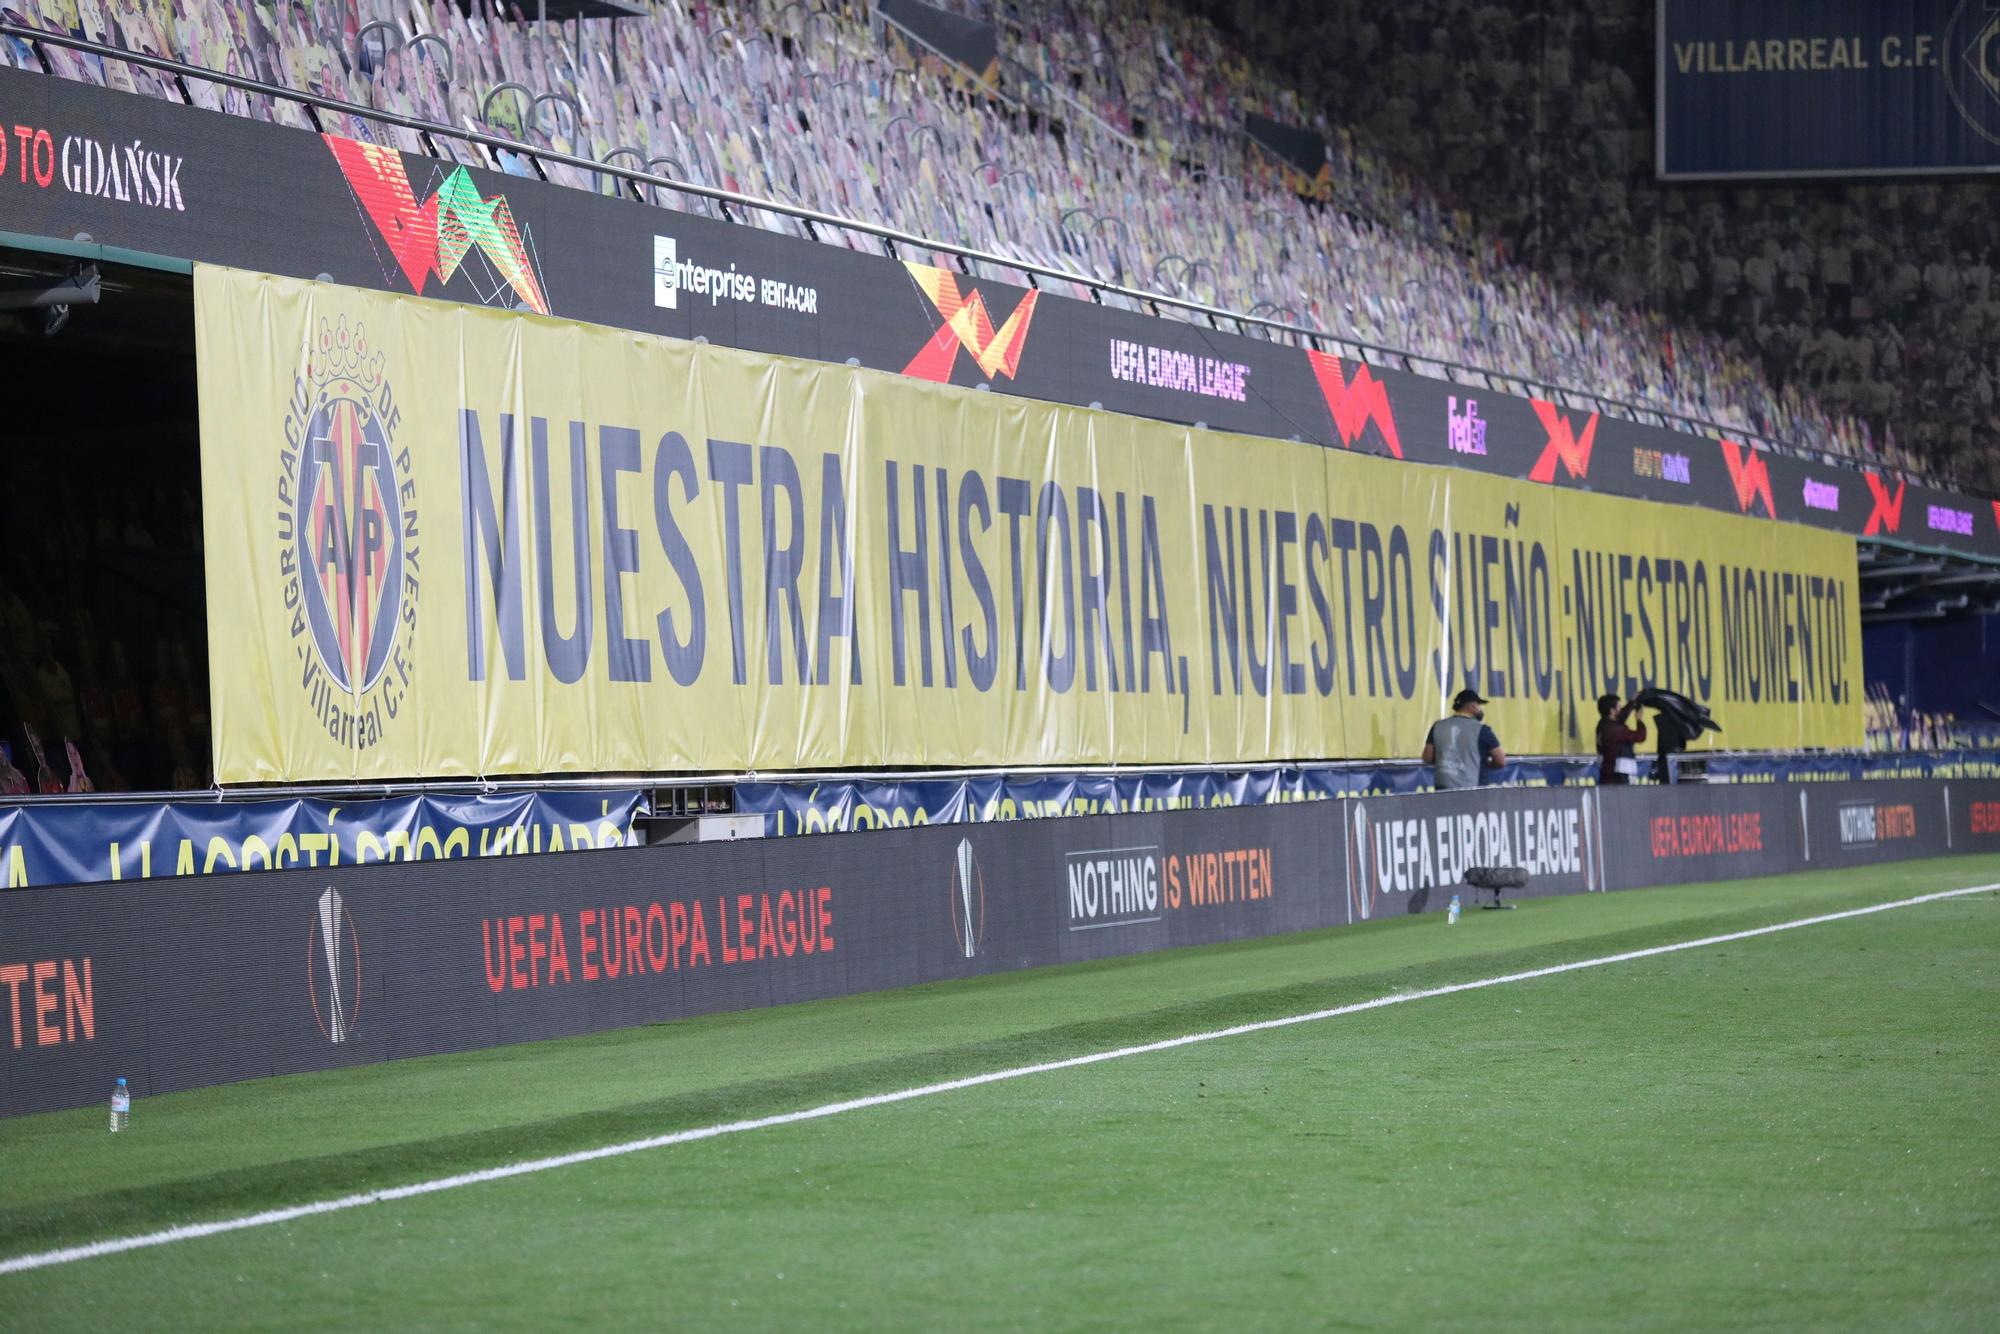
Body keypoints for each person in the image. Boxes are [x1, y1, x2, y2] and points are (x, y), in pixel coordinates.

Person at [1423, 689, 1504, 791]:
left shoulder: (1438, 726)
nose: (1480, 709)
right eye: (1478, 705)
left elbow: (1427, 757)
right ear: (1471, 706)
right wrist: (1486, 764)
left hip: (1443, 790)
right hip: (1473, 791)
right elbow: (1500, 760)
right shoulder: (1482, 730)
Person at [1595, 694, 1648, 785]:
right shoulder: (1613, 729)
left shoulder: (1603, 724)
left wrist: (1632, 702)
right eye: (1619, 707)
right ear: (1612, 711)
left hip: (1608, 771)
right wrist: (1639, 720)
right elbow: (1640, 736)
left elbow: (1621, 716)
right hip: (1617, 776)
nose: (1621, 708)